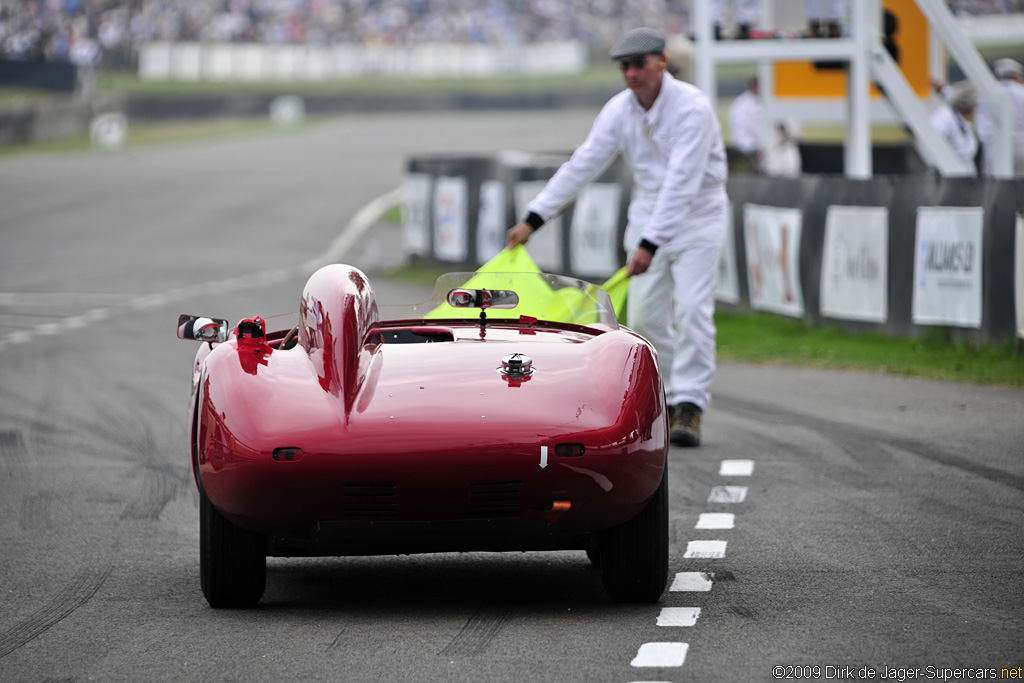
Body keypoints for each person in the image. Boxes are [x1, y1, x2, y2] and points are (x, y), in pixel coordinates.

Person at [505, 27, 728, 448]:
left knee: (695, 311)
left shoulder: (692, 109)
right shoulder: (619, 110)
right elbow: (583, 164)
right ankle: (663, 399)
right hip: (648, 217)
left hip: (698, 218)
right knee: (644, 318)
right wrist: (534, 218)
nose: (631, 73)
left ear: (661, 62)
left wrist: (649, 244)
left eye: (639, 64)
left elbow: (682, 184)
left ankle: (691, 404)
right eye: (624, 66)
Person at [975, 57, 1024, 177]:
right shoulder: (1022, 92)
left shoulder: (985, 94)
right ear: (1017, 75)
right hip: (1021, 145)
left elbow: (980, 124)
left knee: (995, 186)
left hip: (994, 146)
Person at [929, 81, 979, 175]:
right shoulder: (943, 118)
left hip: (964, 175)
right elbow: (935, 142)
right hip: (948, 174)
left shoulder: (963, 120)